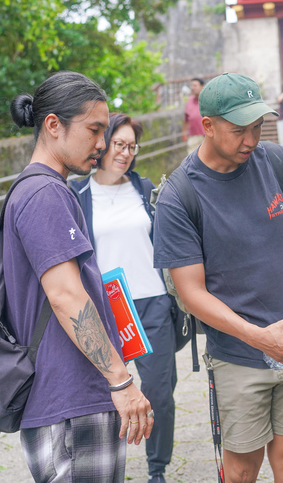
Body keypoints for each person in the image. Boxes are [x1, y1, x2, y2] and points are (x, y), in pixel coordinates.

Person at [153, 72, 283, 483]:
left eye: (257, 127)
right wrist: (258, 337)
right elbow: (191, 292)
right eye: (238, 130)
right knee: (241, 471)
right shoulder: (179, 196)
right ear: (207, 125)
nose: (250, 139)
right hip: (237, 354)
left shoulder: (281, 162)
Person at [7, 71, 153, 483]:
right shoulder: (45, 194)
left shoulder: (44, 189)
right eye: (94, 130)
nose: (103, 144)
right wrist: (121, 382)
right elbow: (66, 296)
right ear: (53, 125)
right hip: (71, 401)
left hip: (70, 399)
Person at [70, 113, 177, 483]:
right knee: (106, 392)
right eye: (120, 144)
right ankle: (102, 466)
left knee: (160, 392)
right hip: (106, 309)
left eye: (132, 146)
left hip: (152, 304)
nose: (126, 153)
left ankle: (157, 468)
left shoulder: (146, 189)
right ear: (103, 145)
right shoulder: (77, 193)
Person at [182, 77, 205, 153]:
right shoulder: (189, 100)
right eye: (192, 85)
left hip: (206, 135)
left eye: (195, 85)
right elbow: (186, 118)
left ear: (202, 86)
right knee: (191, 159)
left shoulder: (206, 99)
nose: (192, 88)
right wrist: (184, 132)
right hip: (193, 136)